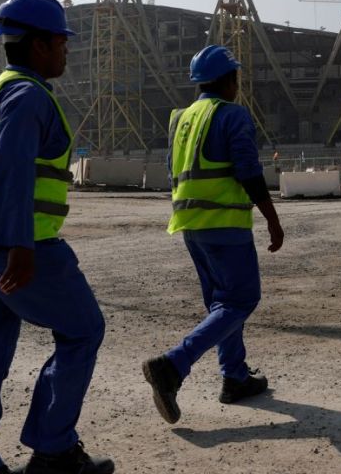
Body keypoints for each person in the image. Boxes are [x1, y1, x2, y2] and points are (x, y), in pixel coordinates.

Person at [0, 0, 112, 474]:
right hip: (22, 245)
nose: (65, 51)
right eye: (62, 42)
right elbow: (12, 166)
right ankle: (54, 451)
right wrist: (18, 243)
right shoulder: (28, 95)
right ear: (40, 45)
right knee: (83, 330)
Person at [142, 45, 285, 425]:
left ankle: (235, 377)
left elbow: (172, 170)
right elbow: (248, 171)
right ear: (228, 79)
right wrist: (272, 217)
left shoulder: (181, 118)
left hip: (190, 224)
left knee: (222, 304)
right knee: (241, 300)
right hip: (225, 224)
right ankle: (173, 364)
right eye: (236, 77)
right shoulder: (231, 114)